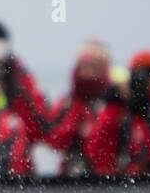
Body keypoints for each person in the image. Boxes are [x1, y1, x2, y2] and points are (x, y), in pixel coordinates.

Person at [83, 50, 150, 176]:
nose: (143, 83)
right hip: (129, 187)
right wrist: (114, 105)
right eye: (137, 76)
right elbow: (96, 154)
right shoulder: (124, 112)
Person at [43, 40, 114, 176]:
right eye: (83, 66)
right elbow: (54, 140)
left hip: (110, 178)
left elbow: (103, 145)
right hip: (72, 178)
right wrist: (77, 107)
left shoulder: (114, 105)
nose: (87, 72)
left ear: (104, 68)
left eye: (94, 66)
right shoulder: (68, 103)